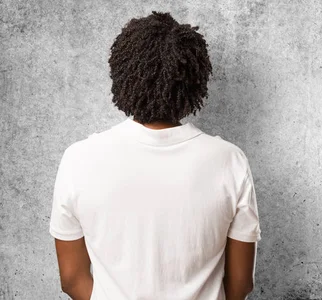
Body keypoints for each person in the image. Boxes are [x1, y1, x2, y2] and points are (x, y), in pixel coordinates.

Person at [48, 11, 261, 300]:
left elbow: (72, 279)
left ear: (122, 74)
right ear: (195, 80)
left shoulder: (78, 160)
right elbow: (240, 284)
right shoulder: (230, 161)